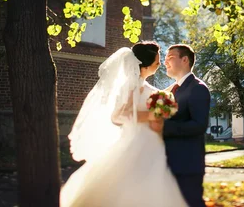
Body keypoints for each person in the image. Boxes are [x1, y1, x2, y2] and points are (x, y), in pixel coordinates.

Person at [60, 41, 187, 207]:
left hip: (153, 144)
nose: (159, 63)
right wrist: (150, 115)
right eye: (157, 60)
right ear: (146, 64)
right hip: (134, 142)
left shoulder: (150, 89)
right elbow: (117, 116)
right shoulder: (131, 86)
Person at [150, 44, 211, 207]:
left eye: (170, 58)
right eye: (164, 59)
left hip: (187, 165)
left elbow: (199, 125)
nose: (165, 63)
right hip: (169, 162)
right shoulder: (173, 90)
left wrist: (164, 128)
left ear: (185, 60)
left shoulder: (197, 88)